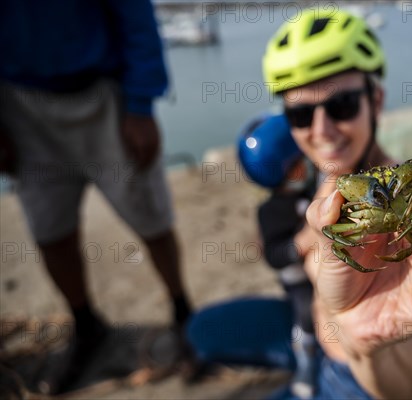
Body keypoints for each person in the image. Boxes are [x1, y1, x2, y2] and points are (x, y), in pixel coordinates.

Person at [261, 8, 412, 398]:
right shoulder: (300, 186)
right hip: (308, 355)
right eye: (301, 113)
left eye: (342, 105)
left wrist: (363, 341)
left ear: (376, 101)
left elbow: (410, 388)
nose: (322, 130)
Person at [0, 0, 193, 393]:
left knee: (151, 216)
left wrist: (140, 103)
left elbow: (136, 14)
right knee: (48, 228)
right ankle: (86, 325)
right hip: (17, 103)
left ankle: (183, 313)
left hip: (105, 94)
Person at [238, 113, 319, 398]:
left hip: (322, 273)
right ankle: (306, 365)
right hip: (299, 281)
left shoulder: (312, 187)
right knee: (306, 316)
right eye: (302, 159)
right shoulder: (269, 212)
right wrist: (301, 243)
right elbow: (273, 255)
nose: (311, 159)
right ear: (288, 169)